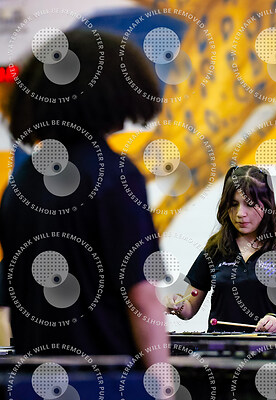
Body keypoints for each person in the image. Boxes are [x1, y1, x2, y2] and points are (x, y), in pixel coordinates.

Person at [0, 29, 167, 366]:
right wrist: (163, 382)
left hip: (34, 375)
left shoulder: (20, 183)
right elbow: (141, 296)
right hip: (107, 375)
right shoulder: (116, 175)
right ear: (112, 94)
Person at [165, 165, 276, 332]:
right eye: (234, 204)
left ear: (266, 205)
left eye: (249, 204)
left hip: (266, 346)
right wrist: (177, 304)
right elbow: (189, 308)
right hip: (220, 347)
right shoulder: (215, 250)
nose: (240, 213)